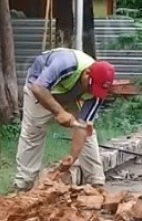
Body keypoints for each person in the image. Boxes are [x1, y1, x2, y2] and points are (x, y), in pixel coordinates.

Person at [12, 48, 116, 191]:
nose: (92, 93)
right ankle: (23, 184)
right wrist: (60, 112)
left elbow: (83, 127)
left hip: (69, 93)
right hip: (40, 88)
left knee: (88, 133)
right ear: (87, 74)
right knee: (33, 132)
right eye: (91, 88)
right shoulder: (66, 63)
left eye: (97, 91)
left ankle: (96, 184)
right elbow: (38, 88)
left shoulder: (98, 92)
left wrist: (72, 157)